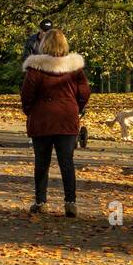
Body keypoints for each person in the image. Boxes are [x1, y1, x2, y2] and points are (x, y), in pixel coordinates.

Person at [21, 28, 90, 217]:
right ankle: (70, 202)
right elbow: (84, 92)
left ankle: (41, 201)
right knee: (66, 161)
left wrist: (31, 111)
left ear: (44, 45)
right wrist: (76, 107)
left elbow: (27, 95)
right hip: (67, 118)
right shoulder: (75, 69)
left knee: (42, 162)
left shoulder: (36, 68)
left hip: (42, 119)